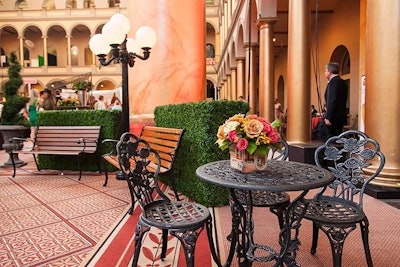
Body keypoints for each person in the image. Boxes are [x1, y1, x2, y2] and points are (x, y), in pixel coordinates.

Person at [321, 62, 348, 141]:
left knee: (328, 139)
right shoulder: (343, 82)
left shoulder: (333, 82)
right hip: (340, 116)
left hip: (333, 118)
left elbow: (332, 100)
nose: (325, 73)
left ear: (329, 71)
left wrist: (328, 117)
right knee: (337, 139)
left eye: (325, 71)